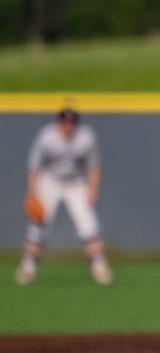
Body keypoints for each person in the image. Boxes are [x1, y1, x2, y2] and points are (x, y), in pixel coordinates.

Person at [15, 107, 112, 286]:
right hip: (50, 181)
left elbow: (94, 167)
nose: (68, 126)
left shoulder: (86, 137)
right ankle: (28, 267)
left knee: (88, 224)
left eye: (71, 122)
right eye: (64, 122)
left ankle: (100, 267)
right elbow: (34, 167)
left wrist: (92, 190)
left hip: (76, 183)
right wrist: (32, 193)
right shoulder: (46, 136)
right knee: (38, 224)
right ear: (58, 122)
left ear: (76, 123)